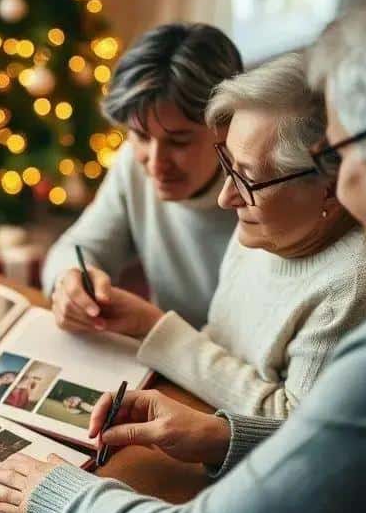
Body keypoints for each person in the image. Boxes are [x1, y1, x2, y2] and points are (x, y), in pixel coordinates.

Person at [0, 0, 366, 513]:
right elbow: (321, 445)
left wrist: (57, 494)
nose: (227, 197)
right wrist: (219, 435)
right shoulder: (267, 221)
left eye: (345, 157)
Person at [64, 52, 366, 418]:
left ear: (330, 188)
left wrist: (155, 329)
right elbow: (221, 342)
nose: (226, 197)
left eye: (247, 178)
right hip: (199, 408)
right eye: (228, 165)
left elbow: (295, 425)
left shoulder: (356, 287)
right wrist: (147, 328)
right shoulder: (267, 227)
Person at [44, 23, 242, 331]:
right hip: (161, 350)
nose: (156, 163)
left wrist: (155, 329)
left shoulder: (263, 190)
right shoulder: (131, 164)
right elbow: (79, 246)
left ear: (228, 126)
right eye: (140, 135)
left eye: (179, 141)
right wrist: (69, 281)